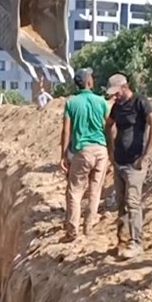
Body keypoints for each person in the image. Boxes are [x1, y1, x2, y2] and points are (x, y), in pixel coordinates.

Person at [104, 73, 152, 259]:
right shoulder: (117, 107)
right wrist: (110, 151)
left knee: (133, 202)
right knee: (121, 202)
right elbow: (108, 125)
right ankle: (123, 240)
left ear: (124, 87)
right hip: (119, 161)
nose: (114, 97)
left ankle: (137, 242)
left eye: (116, 93)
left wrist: (145, 156)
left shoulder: (140, 102)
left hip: (134, 163)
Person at [60, 66, 109, 241]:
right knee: (95, 190)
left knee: (74, 191)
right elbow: (108, 127)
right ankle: (89, 227)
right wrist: (110, 149)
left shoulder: (71, 103)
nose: (93, 79)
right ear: (88, 82)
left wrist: (63, 155)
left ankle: (72, 231)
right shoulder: (101, 102)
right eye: (91, 77)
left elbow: (66, 131)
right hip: (101, 150)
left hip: (82, 151)